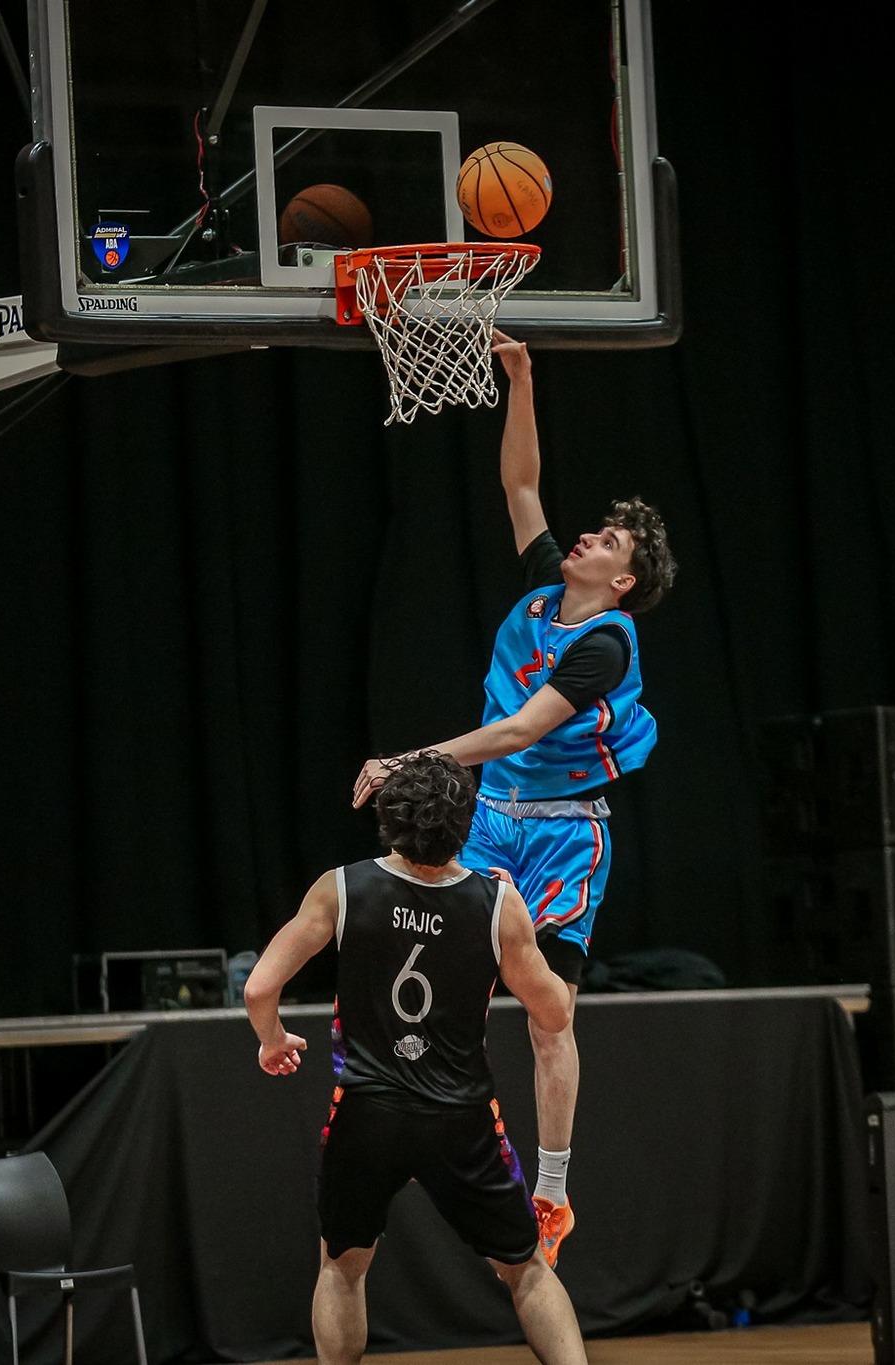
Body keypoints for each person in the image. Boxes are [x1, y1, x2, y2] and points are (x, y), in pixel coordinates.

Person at [350, 333, 677, 1266]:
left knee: (550, 1014)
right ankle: (410, 1115)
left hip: (565, 833)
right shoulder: (543, 592)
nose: (586, 536)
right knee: (434, 972)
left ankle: (553, 1190)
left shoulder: (604, 643)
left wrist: (407, 758)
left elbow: (518, 731)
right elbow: (520, 484)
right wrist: (521, 380)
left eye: (606, 541)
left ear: (621, 581)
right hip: (492, 819)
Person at [246, 753, 588, 1365]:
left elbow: (258, 988)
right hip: (460, 1118)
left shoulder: (341, 887)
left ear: (389, 815)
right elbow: (555, 1014)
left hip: (366, 1112)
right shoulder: (497, 904)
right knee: (528, 1271)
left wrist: (272, 1040)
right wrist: (533, 932)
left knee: (342, 1268)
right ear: (467, 825)